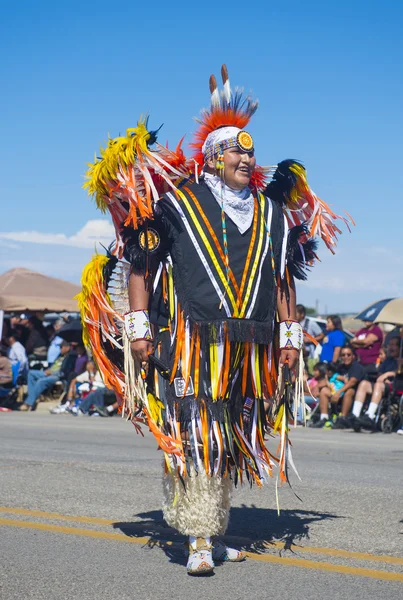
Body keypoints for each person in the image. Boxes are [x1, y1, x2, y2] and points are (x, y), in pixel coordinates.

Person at [77, 66, 350, 575]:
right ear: (213, 157)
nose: (247, 158)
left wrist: (290, 339)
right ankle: (198, 537)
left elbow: (285, 282)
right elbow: (141, 265)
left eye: (251, 152)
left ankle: (214, 529)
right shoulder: (178, 207)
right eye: (237, 151)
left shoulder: (272, 215)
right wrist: (138, 330)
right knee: (196, 435)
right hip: (190, 344)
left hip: (250, 350)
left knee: (225, 439)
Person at [351, 336, 400, 431]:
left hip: (395, 385)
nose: (391, 347)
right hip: (382, 384)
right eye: (390, 345)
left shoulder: (400, 360)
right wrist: (383, 377)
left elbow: (398, 372)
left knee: (378, 385)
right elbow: (380, 374)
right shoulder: (388, 360)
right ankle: (355, 415)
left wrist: (388, 374)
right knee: (364, 384)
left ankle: (370, 415)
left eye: (394, 345)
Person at [313, 345, 364, 428]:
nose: (346, 357)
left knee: (349, 390)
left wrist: (338, 393)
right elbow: (330, 380)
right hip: (337, 393)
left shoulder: (357, 367)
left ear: (353, 356)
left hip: (353, 396)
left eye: (348, 355)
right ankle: (324, 418)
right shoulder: (340, 367)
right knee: (324, 390)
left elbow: (352, 382)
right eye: (343, 355)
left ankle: (342, 419)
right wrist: (317, 387)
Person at [19, 341, 76, 411]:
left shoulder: (70, 358)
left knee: (41, 381)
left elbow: (65, 372)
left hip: (57, 376)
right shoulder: (60, 355)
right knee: (31, 373)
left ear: (67, 348)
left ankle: (28, 403)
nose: (60, 349)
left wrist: (53, 373)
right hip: (49, 372)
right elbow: (53, 366)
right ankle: (32, 398)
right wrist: (48, 370)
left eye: (61, 347)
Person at [296, 304, 323, 373]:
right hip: (298, 355)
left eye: (296, 313)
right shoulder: (295, 324)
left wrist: (310, 340)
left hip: (310, 356)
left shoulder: (311, 323)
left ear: (302, 314)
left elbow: (321, 335)